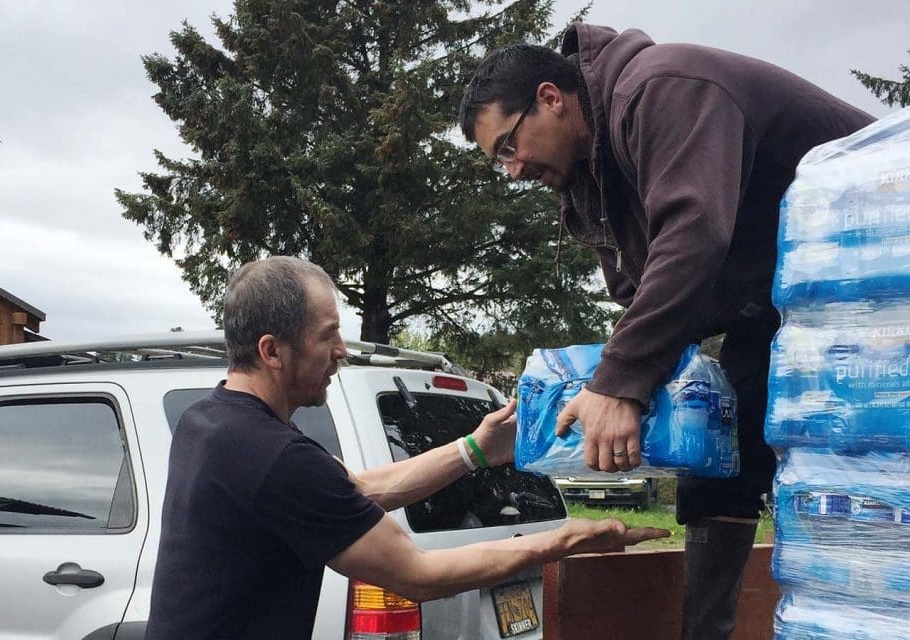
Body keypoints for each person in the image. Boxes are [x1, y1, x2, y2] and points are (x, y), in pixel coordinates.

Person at [458, 23, 875, 639]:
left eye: (507, 147)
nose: (513, 171)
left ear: (550, 97)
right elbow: (639, 296)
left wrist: (620, 384)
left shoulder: (662, 91)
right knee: (717, 465)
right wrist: (597, 389)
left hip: (876, 267)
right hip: (781, 305)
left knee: (857, 461)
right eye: (499, 161)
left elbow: (693, 235)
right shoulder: (591, 184)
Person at [145, 255, 667, 640]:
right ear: (272, 350)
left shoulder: (211, 422)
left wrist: (477, 449)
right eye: (328, 336)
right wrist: (561, 542)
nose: (341, 351)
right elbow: (420, 575)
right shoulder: (271, 455)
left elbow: (359, 490)